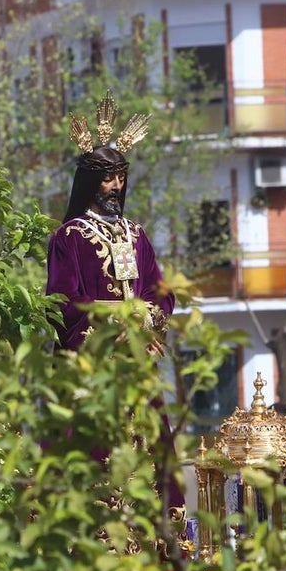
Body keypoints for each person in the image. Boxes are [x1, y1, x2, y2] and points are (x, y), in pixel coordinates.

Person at [45, 92, 184, 512]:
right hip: (93, 368)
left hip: (137, 363)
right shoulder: (69, 237)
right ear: (90, 182)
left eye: (120, 177)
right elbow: (63, 302)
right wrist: (113, 328)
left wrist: (146, 324)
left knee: (152, 452)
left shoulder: (136, 234)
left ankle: (162, 544)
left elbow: (161, 292)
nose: (116, 186)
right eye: (107, 178)